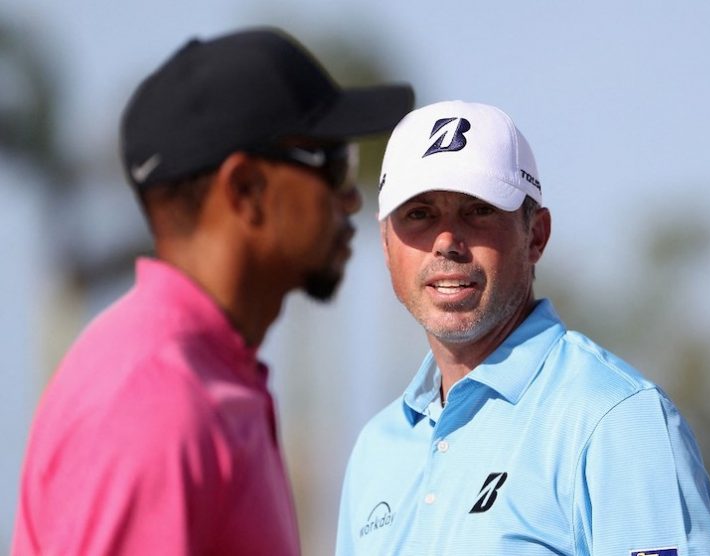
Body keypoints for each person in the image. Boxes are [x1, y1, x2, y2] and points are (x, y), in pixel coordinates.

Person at [13, 28, 413, 555]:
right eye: (333, 164)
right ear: (246, 189)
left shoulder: (204, 375)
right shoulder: (155, 402)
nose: (351, 200)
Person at [335, 100, 710, 555]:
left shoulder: (616, 419)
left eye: (477, 210)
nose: (446, 241)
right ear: (386, 246)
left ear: (536, 235)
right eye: (419, 215)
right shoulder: (376, 447)